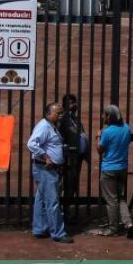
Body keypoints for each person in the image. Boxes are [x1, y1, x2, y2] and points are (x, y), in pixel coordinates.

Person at [27, 102, 71, 243]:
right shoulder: (44, 127)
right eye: (58, 113)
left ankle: (39, 228)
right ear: (48, 114)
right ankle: (58, 233)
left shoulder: (51, 126)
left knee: (41, 199)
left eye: (61, 113)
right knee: (53, 202)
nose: (60, 116)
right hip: (46, 169)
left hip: (47, 169)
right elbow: (31, 144)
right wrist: (46, 157)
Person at [97, 104, 133, 238]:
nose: (103, 116)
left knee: (111, 200)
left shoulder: (107, 132)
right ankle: (128, 223)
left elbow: (100, 150)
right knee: (120, 198)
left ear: (109, 116)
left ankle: (113, 228)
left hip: (109, 169)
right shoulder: (126, 128)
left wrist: (98, 137)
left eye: (104, 114)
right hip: (122, 168)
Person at [57, 94, 88, 222]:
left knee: (73, 185)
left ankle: (67, 211)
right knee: (67, 185)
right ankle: (63, 213)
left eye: (74, 102)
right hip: (68, 158)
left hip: (76, 158)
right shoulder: (63, 119)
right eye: (70, 103)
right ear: (64, 105)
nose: (74, 105)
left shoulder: (75, 118)